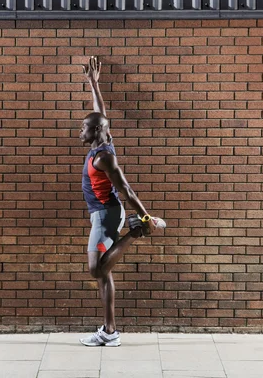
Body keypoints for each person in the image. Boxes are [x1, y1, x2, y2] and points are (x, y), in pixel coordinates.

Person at [79, 56, 166, 347]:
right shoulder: (101, 140)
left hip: (107, 214)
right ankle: (109, 331)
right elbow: (99, 113)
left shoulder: (105, 156)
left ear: (96, 132)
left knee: (97, 269)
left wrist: (145, 217)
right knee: (104, 274)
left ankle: (136, 233)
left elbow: (126, 189)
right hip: (100, 213)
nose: (80, 131)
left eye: (84, 128)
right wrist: (94, 83)